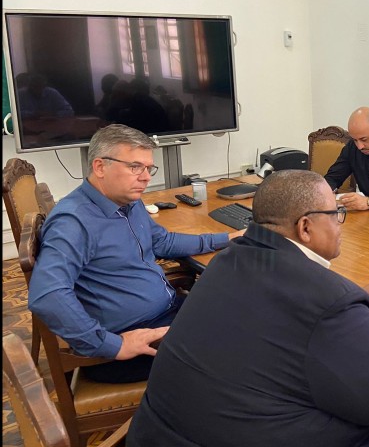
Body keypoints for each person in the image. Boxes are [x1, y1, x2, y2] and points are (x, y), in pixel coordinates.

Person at [128, 170, 369, 447]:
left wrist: (357, 298)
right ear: (305, 227)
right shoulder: (329, 301)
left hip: (157, 434)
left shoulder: (226, 261)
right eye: (336, 213)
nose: (341, 223)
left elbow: (280, 314)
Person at [27, 124, 244, 384]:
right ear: (100, 167)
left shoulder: (126, 200)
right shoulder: (74, 222)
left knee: (242, 311)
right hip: (130, 345)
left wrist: (226, 239)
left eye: (148, 168)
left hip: (165, 314)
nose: (145, 177)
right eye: (134, 167)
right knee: (246, 346)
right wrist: (113, 345)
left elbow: (162, 241)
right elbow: (47, 295)